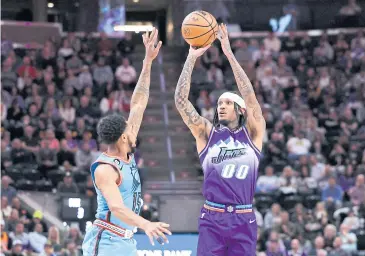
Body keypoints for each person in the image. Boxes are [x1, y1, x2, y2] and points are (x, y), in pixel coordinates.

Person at [175, 24, 265, 255]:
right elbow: (181, 102)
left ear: (241, 110)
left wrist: (228, 53)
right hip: (212, 217)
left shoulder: (253, 134)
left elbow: (250, 96)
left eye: (226, 103)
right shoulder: (207, 133)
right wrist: (191, 58)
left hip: (243, 217)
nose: (221, 106)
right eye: (219, 104)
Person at [82, 28, 171, 256]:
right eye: (129, 127)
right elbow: (116, 207)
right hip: (106, 241)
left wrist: (147, 62)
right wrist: (147, 224)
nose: (133, 128)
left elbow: (138, 103)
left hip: (125, 241)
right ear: (123, 136)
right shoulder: (105, 169)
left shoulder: (125, 147)